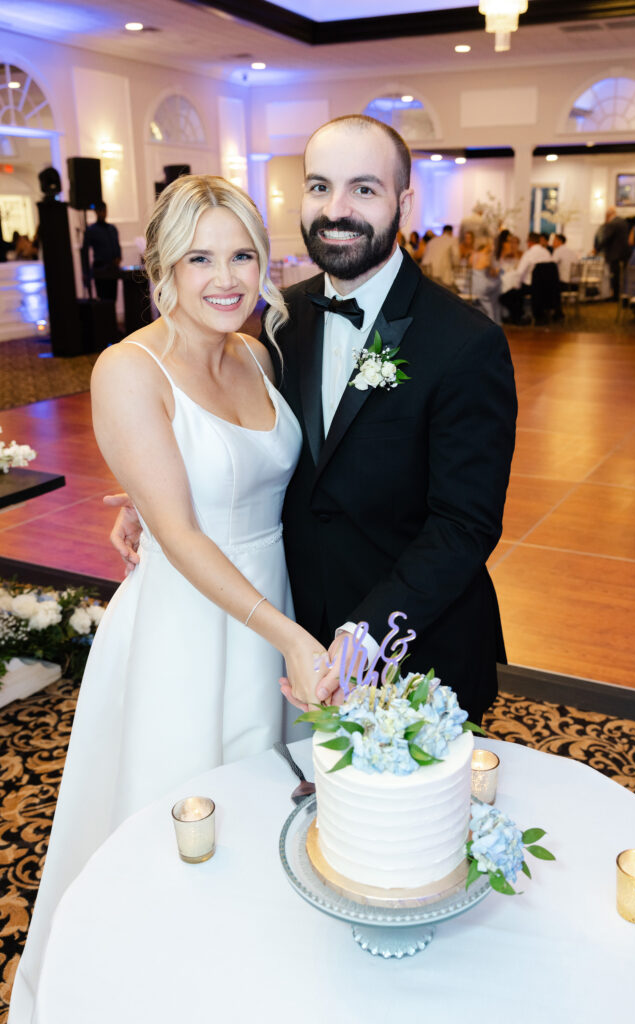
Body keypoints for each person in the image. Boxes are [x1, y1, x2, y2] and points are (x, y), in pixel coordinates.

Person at [9, 175, 323, 1022]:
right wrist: (289, 635)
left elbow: (248, 483)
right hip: (190, 622)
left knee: (266, 808)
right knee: (178, 810)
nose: (227, 278)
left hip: (266, 600)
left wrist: (145, 498)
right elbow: (182, 536)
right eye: (200, 258)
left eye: (243, 255)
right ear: (162, 268)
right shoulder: (125, 366)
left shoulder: (257, 354)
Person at [110, 114, 517, 723]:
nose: (337, 209)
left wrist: (369, 633)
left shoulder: (466, 343)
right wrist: (154, 492)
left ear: (404, 201)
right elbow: (242, 435)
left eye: (364, 189)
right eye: (321, 186)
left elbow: (464, 524)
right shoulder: (278, 319)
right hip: (287, 629)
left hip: (416, 644)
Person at [82, 201, 122, 301]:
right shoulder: (91, 230)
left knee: (113, 298)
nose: (102, 213)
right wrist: (86, 273)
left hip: (113, 269)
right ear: (96, 212)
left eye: (104, 211)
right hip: (100, 270)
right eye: (100, 211)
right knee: (103, 299)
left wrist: (118, 258)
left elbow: (117, 246)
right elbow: (84, 252)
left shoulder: (112, 229)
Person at [594, 206, 630, 299]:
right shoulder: (624, 222)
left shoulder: (612, 223)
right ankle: (620, 294)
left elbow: (606, 238)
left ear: (608, 215)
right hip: (624, 253)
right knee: (621, 275)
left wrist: (596, 249)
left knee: (614, 275)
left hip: (614, 254)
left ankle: (615, 295)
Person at [471, 239, 503, 324]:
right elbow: (493, 273)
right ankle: (494, 320)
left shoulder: (473, 255)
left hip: (472, 285)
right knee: (499, 284)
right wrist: (499, 270)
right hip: (481, 286)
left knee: (493, 291)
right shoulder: (486, 257)